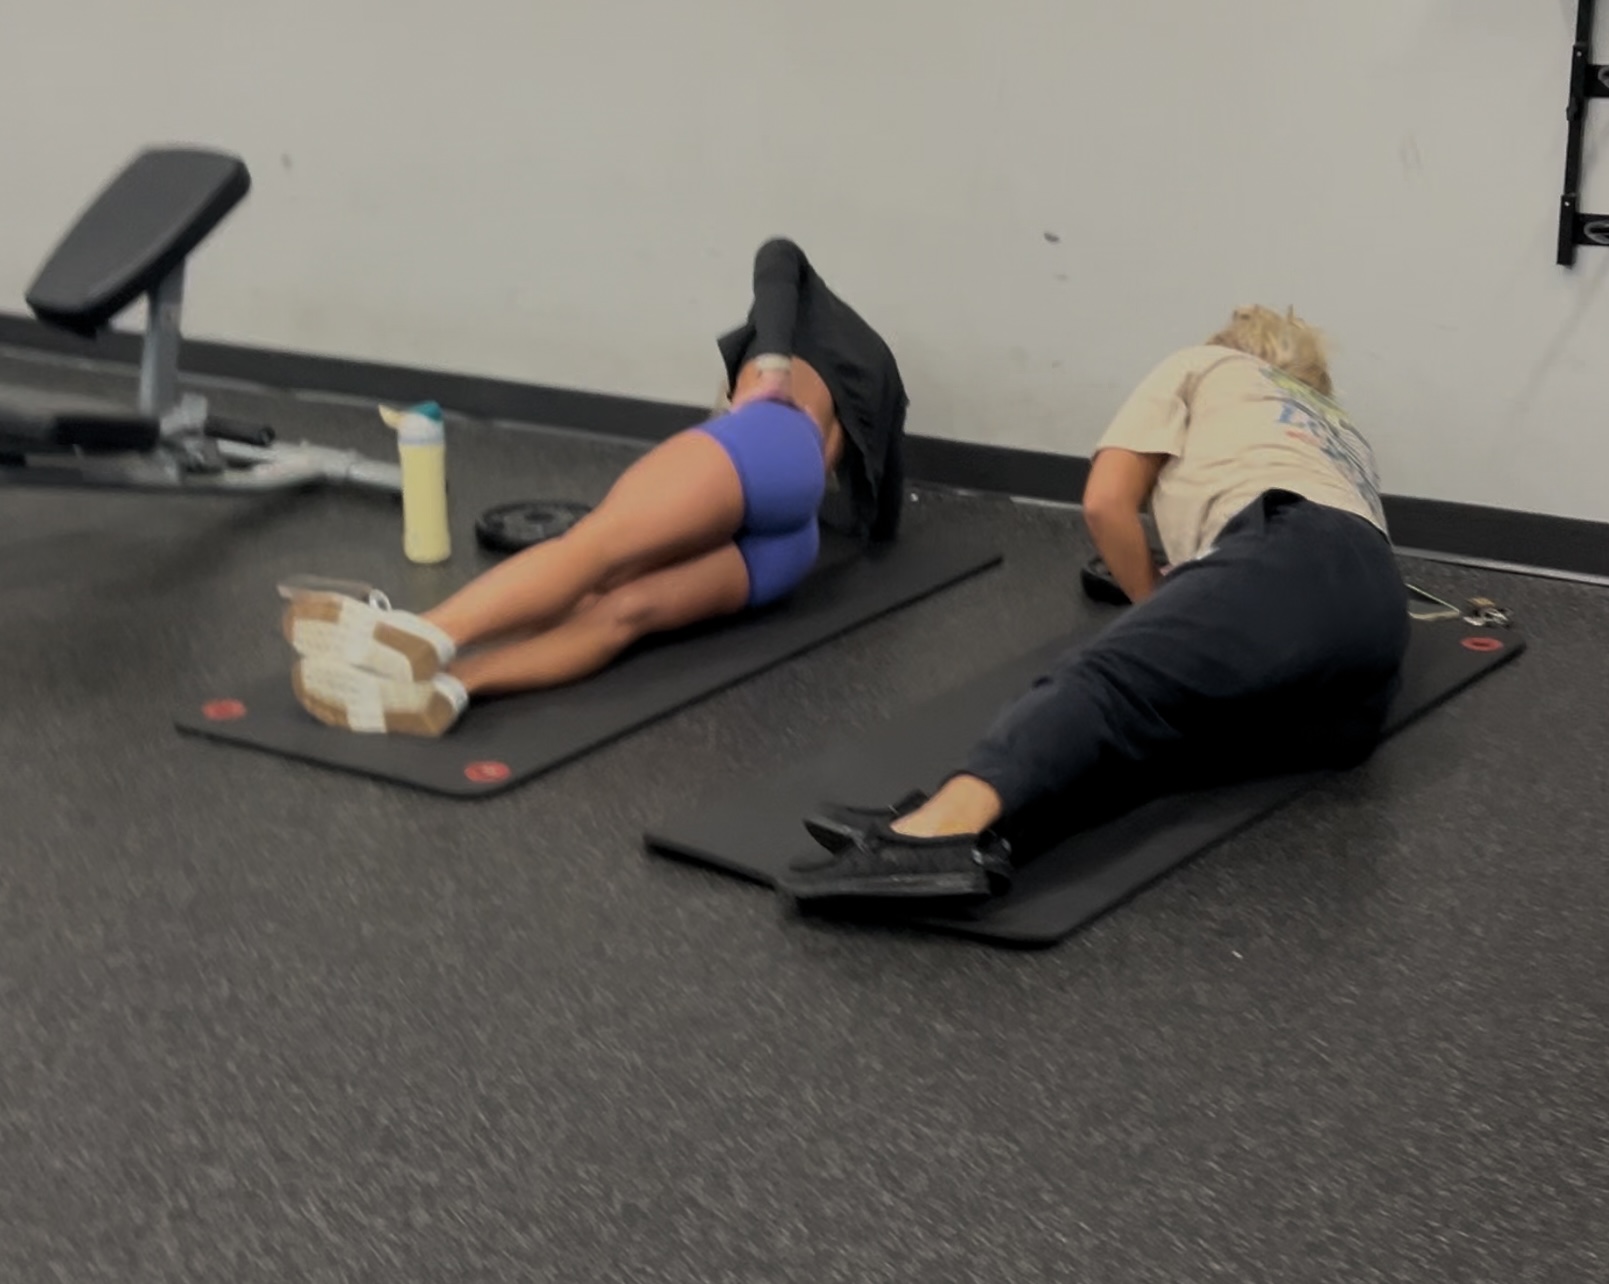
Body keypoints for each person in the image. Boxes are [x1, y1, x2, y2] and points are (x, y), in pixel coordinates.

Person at [783, 305, 1411, 905]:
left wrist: (1152, 604)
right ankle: (987, 827)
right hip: (1373, 636)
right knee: (1159, 727)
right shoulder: (1336, 427)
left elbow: (1106, 504)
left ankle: (937, 833)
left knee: (1108, 681)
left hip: (1293, 549)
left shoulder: (1205, 365)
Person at [284, 238, 908, 736]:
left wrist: (770, 369)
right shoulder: (879, 381)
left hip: (774, 437)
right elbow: (878, 519)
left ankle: (425, 631)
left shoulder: (808, 321)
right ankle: (454, 686)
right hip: (795, 544)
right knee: (625, 611)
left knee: (595, 550)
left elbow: (779, 254)